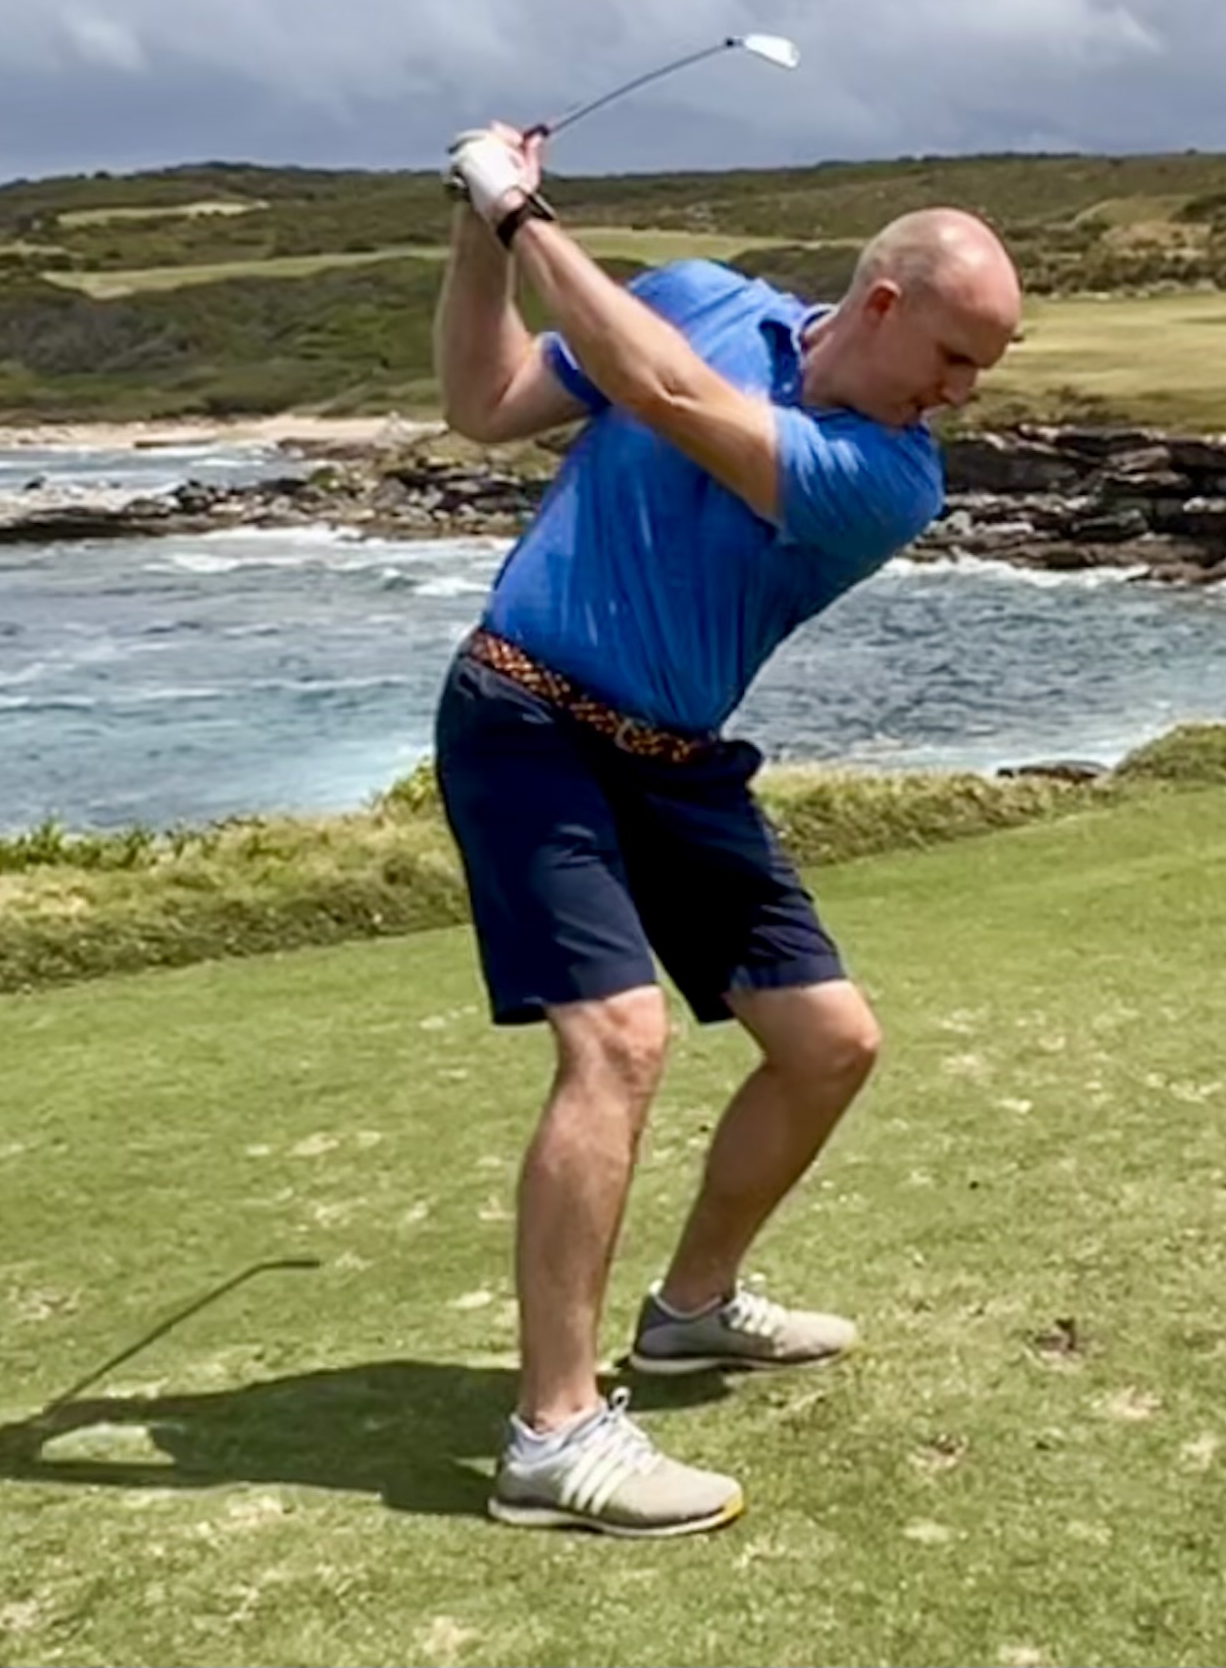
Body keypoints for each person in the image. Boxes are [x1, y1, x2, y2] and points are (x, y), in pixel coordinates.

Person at [428, 120, 1022, 1537]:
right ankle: (552, 1432)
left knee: (829, 1044)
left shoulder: (889, 478)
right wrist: (473, 228)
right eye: (954, 357)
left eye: (983, 372)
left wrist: (521, 215)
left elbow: (666, 392)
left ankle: (691, 1307)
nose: (961, 394)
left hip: (675, 761)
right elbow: (484, 401)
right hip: (525, 716)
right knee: (619, 1041)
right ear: (883, 303)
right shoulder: (697, 294)